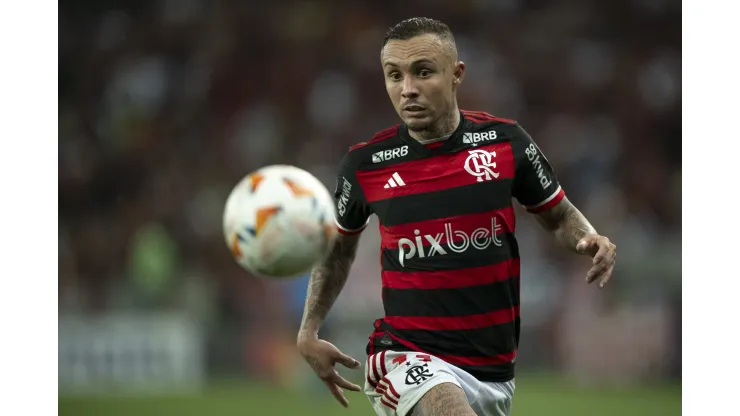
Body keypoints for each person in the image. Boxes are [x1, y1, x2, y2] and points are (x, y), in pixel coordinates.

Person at [296, 17, 616, 416]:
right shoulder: (365, 164)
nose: (407, 89)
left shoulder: (506, 144)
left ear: (456, 74)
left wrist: (588, 237)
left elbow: (559, 215)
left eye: (423, 72)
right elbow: (338, 250)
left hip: (493, 371)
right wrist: (309, 330)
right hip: (405, 356)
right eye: (394, 75)